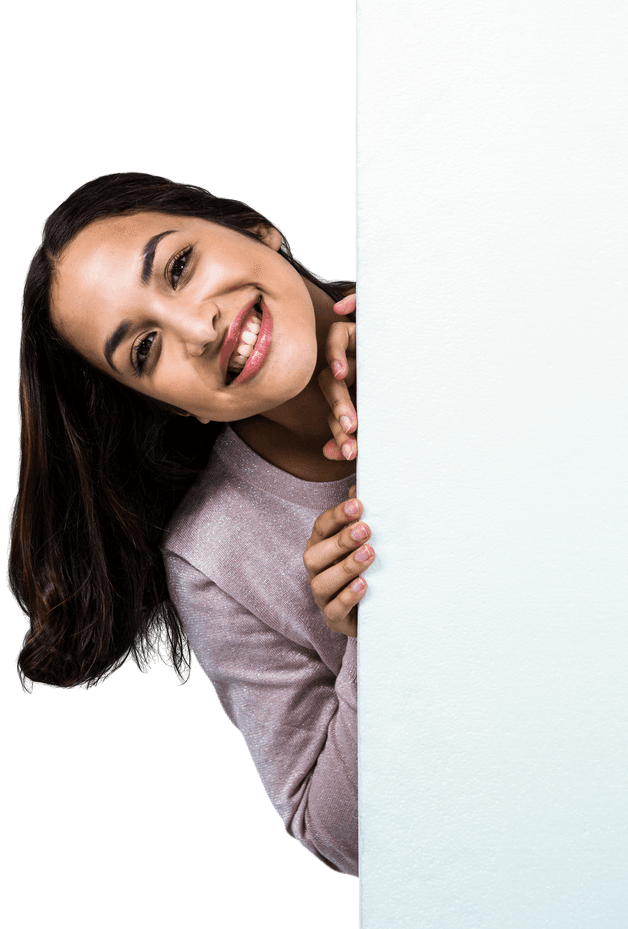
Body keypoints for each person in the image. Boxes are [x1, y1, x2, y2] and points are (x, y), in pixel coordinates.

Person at [6, 171, 374, 877]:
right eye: (144, 351)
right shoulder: (213, 555)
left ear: (255, 228)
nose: (200, 329)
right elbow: (341, 842)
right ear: (176, 408)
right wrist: (379, 621)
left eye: (179, 267)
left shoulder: (452, 289)